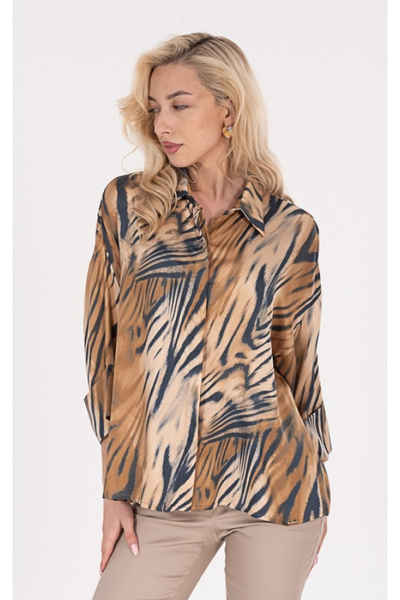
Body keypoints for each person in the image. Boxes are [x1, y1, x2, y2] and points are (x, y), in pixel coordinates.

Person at [83, 32, 333, 600]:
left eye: (179, 105)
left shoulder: (290, 229)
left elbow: (299, 366)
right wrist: (114, 488)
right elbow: (105, 353)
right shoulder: (127, 207)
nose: (162, 124)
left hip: (274, 485)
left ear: (228, 109)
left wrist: (315, 477)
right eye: (154, 109)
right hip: (162, 492)